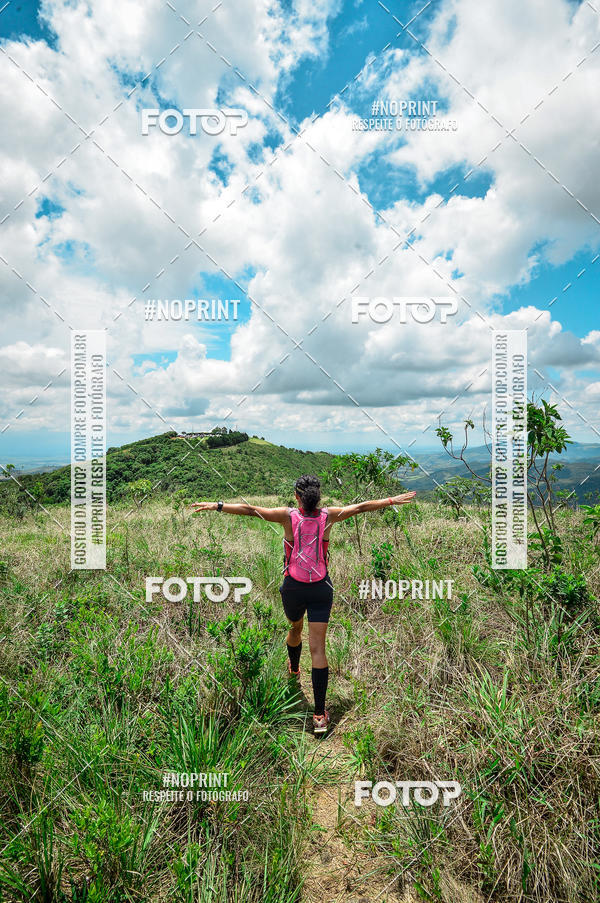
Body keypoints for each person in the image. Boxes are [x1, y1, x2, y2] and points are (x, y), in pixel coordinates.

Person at [191, 475, 416, 734]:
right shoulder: (330, 516)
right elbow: (361, 507)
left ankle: (295, 668)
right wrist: (391, 500)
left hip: (293, 588)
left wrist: (217, 505)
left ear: (297, 496)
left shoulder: (286, 516)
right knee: (318, 648)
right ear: (318, 496)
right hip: (321, 588)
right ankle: (319, 715)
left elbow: (250, 510)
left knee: (295, 629)